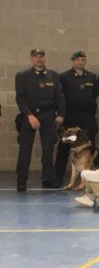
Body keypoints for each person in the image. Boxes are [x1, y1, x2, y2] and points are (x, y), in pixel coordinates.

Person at [15, 49, 66, 191]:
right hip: (29, 116)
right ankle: (21, 181)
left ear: (45, 58)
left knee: (48, 149)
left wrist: (61, 114)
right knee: (25, 149)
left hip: (48, 115)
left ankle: (48, 179)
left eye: (41, 56)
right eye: (36, 56)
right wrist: (29, 116)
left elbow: (60, 97)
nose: (39, 59)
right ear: (31, 58)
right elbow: (20, 98)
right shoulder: (22, 76)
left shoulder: (53, 75)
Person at [55, 51, 98, 186]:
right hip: (71, 119)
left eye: (83, 59)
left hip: (87, 118)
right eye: (78, 59)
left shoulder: (91, 77)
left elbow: (94, 95)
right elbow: (60, 97)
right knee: (64, 146)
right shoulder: (64, 77)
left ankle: (89, 179)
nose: (81, 62)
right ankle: (58, 177)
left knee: (89, 148)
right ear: (73, 61)